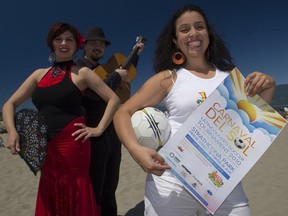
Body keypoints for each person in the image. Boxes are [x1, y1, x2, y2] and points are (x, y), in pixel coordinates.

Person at [113, 4, 276, 216]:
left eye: (199, 27)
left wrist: (268, 86)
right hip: (172, 181)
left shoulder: (230, 78)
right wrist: (135, 150)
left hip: (223, 184)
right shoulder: (169, 78)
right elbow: (122, 113)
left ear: (208, 33)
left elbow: (251, 124)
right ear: (175, 40)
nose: (193, 33)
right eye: (184, 29)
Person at [2, 22, 120, 216]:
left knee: (76, 188)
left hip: (73, 142)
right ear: (52, 44)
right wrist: (12, 132)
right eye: (59, 39)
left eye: (69, 39)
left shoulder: (82, 73)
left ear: (76, 46)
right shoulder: (38, 74)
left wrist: (98, 128)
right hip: (45, 145)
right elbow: (9, 104)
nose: (64, 43)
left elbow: (113, 99)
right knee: (50, 186)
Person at [76, 27, 145, 216]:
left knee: (110, 185)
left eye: (101, 43)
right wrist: (115, 77)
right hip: (93, 134)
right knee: (95, 186)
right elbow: (91, 94)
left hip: (112, 133)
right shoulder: (79, 67)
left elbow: (125, 71)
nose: (98, 46)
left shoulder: (106, 69)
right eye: (93, 43)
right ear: (84, 45)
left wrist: (135, 53)